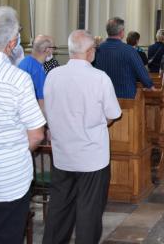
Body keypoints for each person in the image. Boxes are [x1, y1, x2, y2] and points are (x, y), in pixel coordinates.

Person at [0, 6, 45, 243]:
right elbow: (36, 135)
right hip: (6, 184)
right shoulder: (16, 79)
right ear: (12, 42)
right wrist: (9, 153)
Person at [42, 30, 121, 244]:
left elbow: (47, 109)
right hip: (91, 157)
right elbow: (113, 114)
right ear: (89, 52)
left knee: (59, 209)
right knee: (89, 213)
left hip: (63, 154)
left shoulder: (53, 76)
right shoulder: (99, 78)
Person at [94, 17, 153, 98]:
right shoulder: (130, 50)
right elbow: (142, 72)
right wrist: (150, 85)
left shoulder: (97, 49)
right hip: (126, 99)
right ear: (121, 32)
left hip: (103, 97)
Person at [18, 34, 55, 109]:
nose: (54, 50)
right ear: (47, 50)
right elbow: (41, 102)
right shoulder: (37, 70)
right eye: (53, 48)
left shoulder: (25, 62)